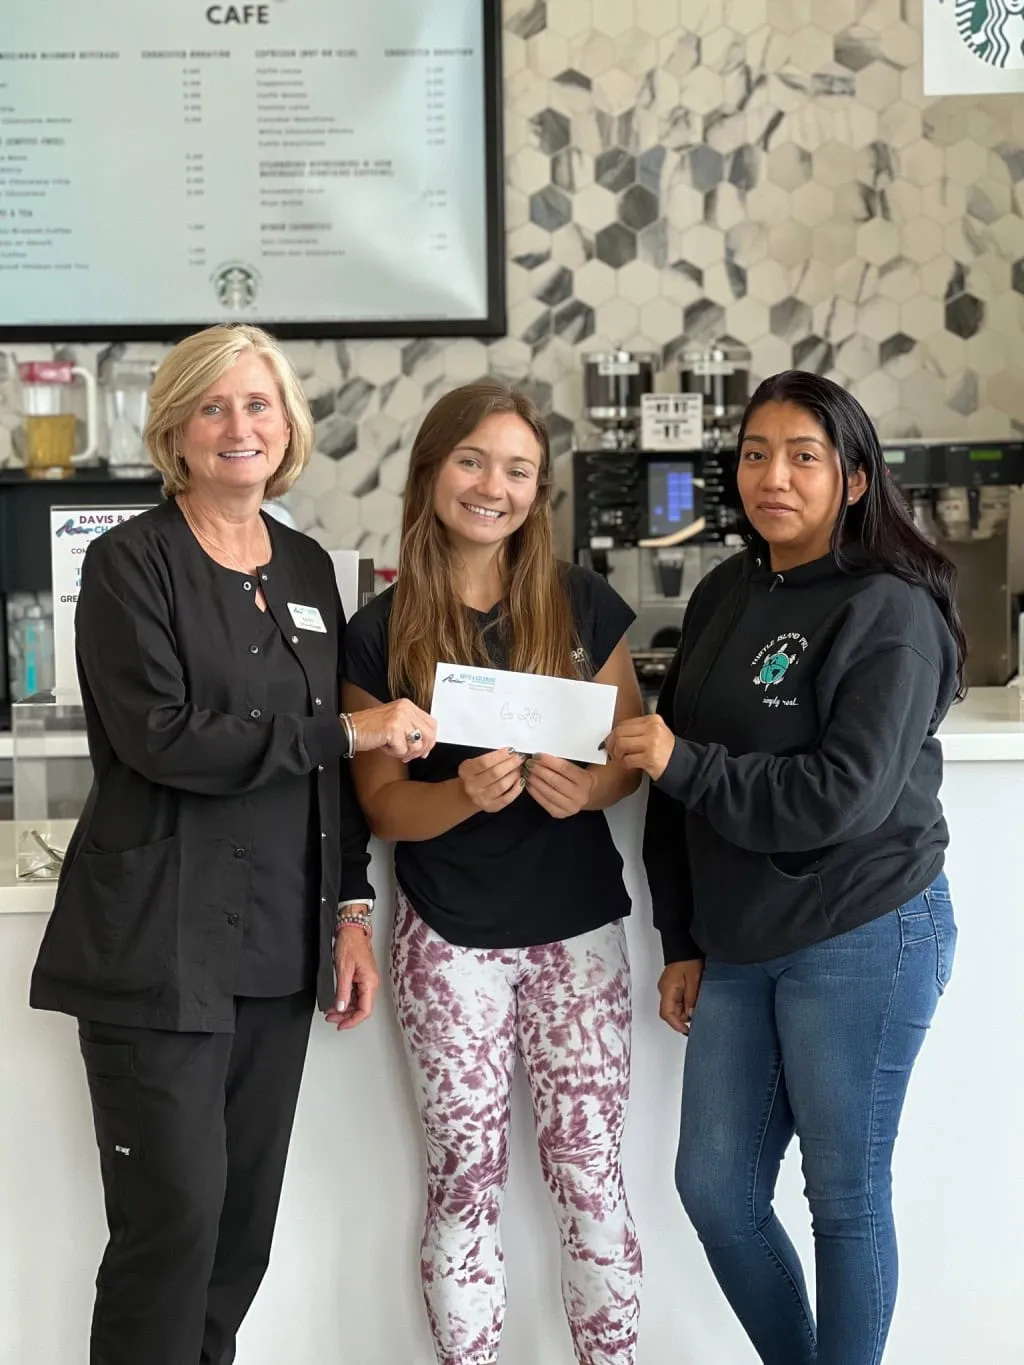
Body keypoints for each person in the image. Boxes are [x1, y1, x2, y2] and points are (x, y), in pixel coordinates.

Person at [29, 323, 436, 1365]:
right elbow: (162, 738)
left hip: (274, 946)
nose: (238, 426)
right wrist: (344, 731)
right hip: (157, 945)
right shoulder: (130, 563)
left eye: (258, 404)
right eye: (212, 407)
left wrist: (350, 909)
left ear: (287, 426)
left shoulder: (306, 566)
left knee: (239, 1235)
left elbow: (331, 780)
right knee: (172, 1230)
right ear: (175, 431)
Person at [606, 370, 963, 1365]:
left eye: (804, 456)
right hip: (738, 938)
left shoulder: (888, 609)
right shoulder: (727, 590)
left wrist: (683, 763)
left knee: (844, 1197)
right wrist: (681, 937)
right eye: (756, 454)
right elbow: (673, 779)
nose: (774, 477)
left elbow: (841, 795)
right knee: (715, 1192)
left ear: (854, 478)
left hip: (863, 927)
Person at [343, 381, 645, 1365]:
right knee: (465, 1183)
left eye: (518, 470)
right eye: (472, 461)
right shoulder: (379, 629)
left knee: (591, 1180)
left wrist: (586, 789)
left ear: (538, 489)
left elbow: (624, 756)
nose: (492, 486)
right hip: (447, 938)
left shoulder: (583, 601)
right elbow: (383, 806)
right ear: (432, 470)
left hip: (578, 931)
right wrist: (463, 795)